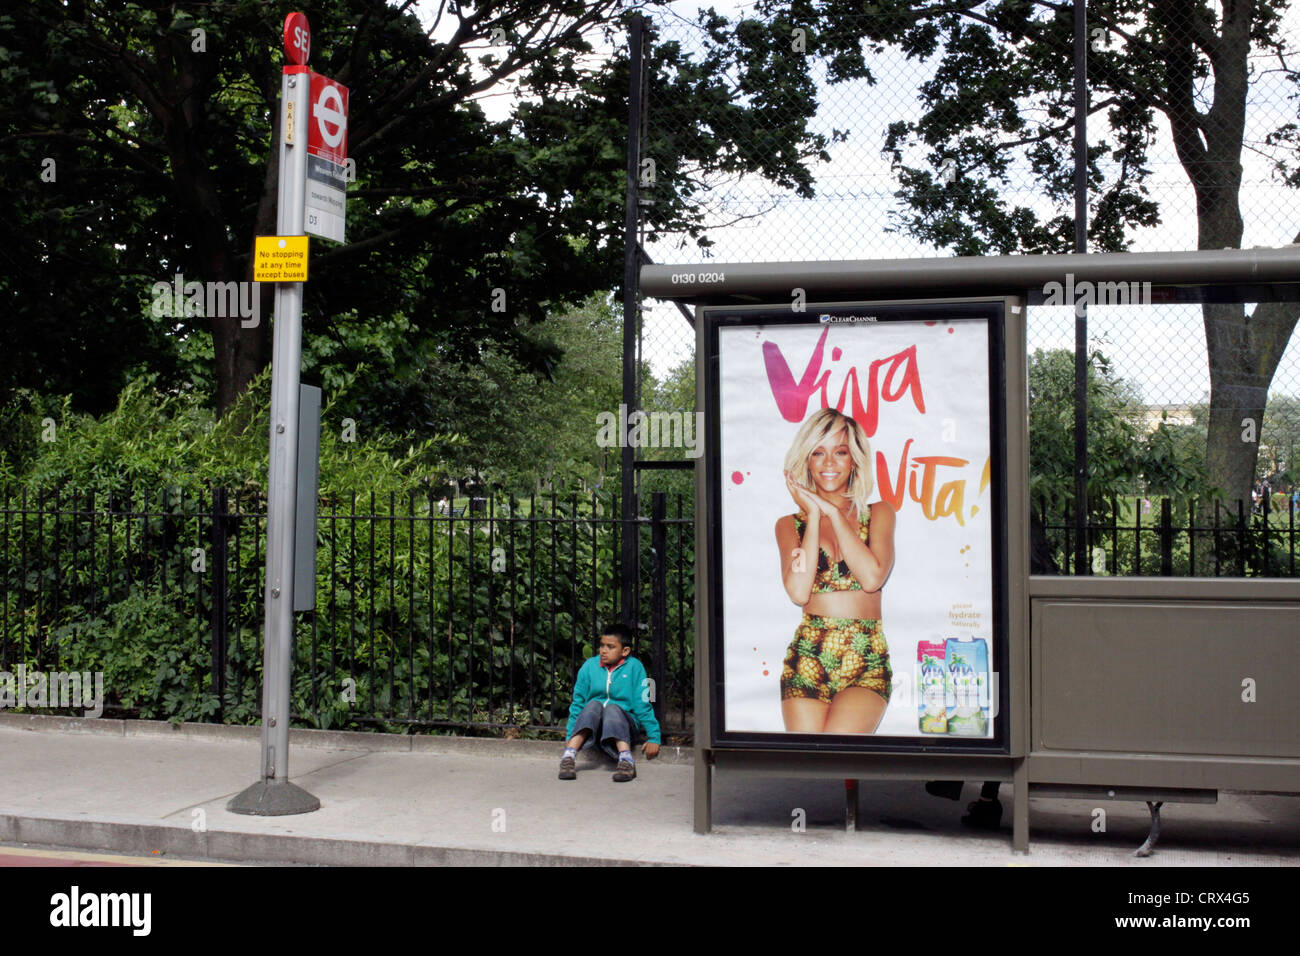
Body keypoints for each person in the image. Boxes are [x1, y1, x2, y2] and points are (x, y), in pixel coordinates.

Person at [774, 407, 897, 734]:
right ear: (807, 460)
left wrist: (832, 510)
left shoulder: (880, 514)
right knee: (809, 763)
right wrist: (814, 516)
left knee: (841, 749)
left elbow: (872, 578)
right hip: (807, 658)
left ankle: (852, 787)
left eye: (840, 452)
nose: (829, 463)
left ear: (854, 458)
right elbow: (799, 592)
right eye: (818, 453)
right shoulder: (791, 525)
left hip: (866, 657)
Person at [558, 623, 661, 782]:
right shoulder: (589, 666)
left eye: (611, 647)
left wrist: (654, 736)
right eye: (602, 645)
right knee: (592, 705)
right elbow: (578, 703)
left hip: (624, 725)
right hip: (595, 729)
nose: (603, 650)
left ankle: (626, 760)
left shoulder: (635, 667)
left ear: (625, 651)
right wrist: (571, 732)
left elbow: (643, 704)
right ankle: (569, 756)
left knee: (613, 708)